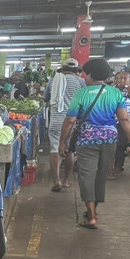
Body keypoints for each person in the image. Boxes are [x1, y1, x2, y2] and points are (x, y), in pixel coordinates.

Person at [58, 58, 130, 229]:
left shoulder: (82, 93)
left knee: (86, 175)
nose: (84, 77)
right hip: (109, 140)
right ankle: (92, 210)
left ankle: (91, 214)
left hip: (87, 140)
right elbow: (124, 118)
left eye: (86, 74)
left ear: (91, 74)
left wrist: (62, 142)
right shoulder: (115, 93)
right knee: (101, 175)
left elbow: (70, 121)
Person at [45, 59, 84, 192]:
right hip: (72, 121)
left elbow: (45, 98)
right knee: (69, 150)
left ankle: (57, 180)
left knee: (55, 149)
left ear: (62, 68)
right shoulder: (81, 82)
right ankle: (66, 180)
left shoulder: (53, 80)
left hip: (56, 121)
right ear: (76, 70)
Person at [112, 69, 130, 176]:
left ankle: (119, 166)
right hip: (112, 121)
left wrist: (127, 86)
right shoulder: (112, 89)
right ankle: (112, 166)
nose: (122, 80)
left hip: (126, 122)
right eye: (119, 78)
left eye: (125, 78)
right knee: (113, 145)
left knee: (122, 145)